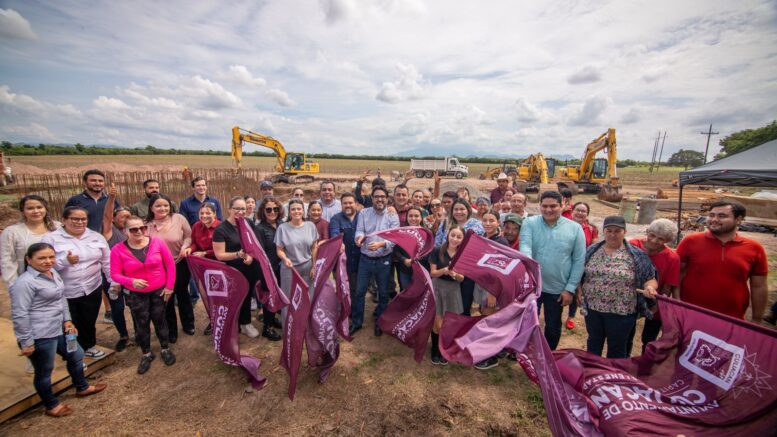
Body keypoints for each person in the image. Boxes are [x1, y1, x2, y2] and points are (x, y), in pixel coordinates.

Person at [11, 243, 107, 418]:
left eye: (51, 257)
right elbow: (20, 314)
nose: (48, 261)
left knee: (76, 355)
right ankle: (51, 405)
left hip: (60, 327)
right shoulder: (24, 283)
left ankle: (82, 387)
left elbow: (61, 298)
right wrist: (26, 342)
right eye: (42, 258)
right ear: (29, 260)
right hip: (40, 334)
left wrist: (67, 320)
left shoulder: (53, 273)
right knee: (44, 371)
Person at [576, 216, 658, 358]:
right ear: (603, 232)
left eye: (617, 231)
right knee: (594, 342)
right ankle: (592, 370)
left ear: (624, 232)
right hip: (593, 309)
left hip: (622, 312)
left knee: (617, 348)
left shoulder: (637, 255)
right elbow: (580, 273)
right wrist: (578, 290)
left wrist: (650, 287)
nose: (613, 234)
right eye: (609, 230)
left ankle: (613, 372)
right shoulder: (592, 251)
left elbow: (650, 278)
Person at [42, 207, 115, 359]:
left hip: (92, 287)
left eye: (83, 219)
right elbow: (43, 266)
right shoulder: (51, 239)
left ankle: (89, 346)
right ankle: (72, 354)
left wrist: (113, 281)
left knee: (88, 319)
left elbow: (107, 262)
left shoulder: (96, 237)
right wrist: (65, 261)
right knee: (68, 322)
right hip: (65, 291)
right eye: (75, 219)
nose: (79, 222)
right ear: (64, 220)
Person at [677, 201, 768, 322]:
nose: (714, 219)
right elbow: (677, 274)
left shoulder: (754, 248)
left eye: (722, 216)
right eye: (711, 215)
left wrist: (757, 319)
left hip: (732, 318)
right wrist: (676, 303)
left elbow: (759, 286)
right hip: (690, 315)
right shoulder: (690, 241)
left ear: (738, 219)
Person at [519, 191, 585, 350]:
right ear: (539, 206)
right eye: (545, 206)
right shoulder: (530, 223)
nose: (548, 210)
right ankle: (525, 351)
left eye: (553, 206)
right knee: (526, 322)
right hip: (532, 285)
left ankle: (549, 354)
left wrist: (570, 289)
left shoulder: (575, 229)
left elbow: (579, 260)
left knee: (553, 325)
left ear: (562, 206)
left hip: (557, 289)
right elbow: (525, 245)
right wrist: (530, 265)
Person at [110, 217, 177, 374]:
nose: (139, 231)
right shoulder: (118, 250)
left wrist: (169, 286)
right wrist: (131, 281)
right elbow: (114, 274)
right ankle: (146, 353)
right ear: (125, 231)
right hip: (136, 294)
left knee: (160, 319)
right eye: (134, 229)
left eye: (142, 228)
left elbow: (170, 264)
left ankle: (165, 348)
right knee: (142, 323)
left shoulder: (157, 242)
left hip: (159, 291)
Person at [213, 197, 281, 341]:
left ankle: (245, 324)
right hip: (233, 269)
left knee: (247, 295)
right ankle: (235, 324)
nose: (240, 211)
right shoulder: (221, 229)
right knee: (236, 298)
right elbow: (219, 255)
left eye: (243, 209)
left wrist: (250, 255)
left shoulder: (248, 223)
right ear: (229, 209)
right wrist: (238, 254)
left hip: (249, 267)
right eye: (237, 208)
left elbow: (252, 245)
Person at [145, 194, 194, 343]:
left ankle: (188, 324)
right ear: (151, 208)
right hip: (159, 268)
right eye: (158, 206)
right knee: (166, 297)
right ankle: (171, 330)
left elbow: (189, 236)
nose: (163, 208)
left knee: (182, 293)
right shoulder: (146, 225)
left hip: (179, 262)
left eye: (166, 205)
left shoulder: (179, 219)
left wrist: (185, 246)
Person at [626, 218, 680, 354]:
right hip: (630, 297)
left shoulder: (672, 257)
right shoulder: (632, 245)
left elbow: (668, 285)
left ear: (668, 240)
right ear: (647, 232)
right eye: (652, 235)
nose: (655, 241)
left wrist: (658, 304)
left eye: (661, 239)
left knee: (649, 338)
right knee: (627, 333)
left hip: (654, 297)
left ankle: (646, 361)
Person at [351, 186, 399, 337]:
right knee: (360, 292)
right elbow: (360, 230)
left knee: (383, 293)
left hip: (383, 260)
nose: (380, 199)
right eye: (376, 196)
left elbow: (395, 237)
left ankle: (380, 322)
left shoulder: (392, 215)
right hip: (365, 260)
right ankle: (357, 322)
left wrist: (382, 244)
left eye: (382, 196)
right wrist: (358, 238)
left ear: (387, 198)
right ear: (372, 199)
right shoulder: (364, 213)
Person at [275, 199, 319, 325]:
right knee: (288, 299)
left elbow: (314, 247)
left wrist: (314, 265)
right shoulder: (282, 228)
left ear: (303, 211)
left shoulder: (310, 226)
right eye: (293, 209)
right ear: (289, 212)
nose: (296, 211)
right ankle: (288, 328)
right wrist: (285, 259)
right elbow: (279, 250)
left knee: (308, 298)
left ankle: (305, 326)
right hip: (289, 268)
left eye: (299, 209)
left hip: (307, 266)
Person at [1, 195, 60, 288]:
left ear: (46, 209)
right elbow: (7, 261)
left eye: (39, 207)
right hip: (27, 284)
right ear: (23, 211)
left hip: (58, 281)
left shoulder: (58, 227)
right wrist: (13, 285)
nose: (36, 211)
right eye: (30, 208)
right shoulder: (12, 232)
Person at [101, 184, 133, 351]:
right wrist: (111, 198)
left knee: (135, 306)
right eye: (122, 216)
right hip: (113, 277)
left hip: (131, 276)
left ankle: (140, 332)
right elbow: (106, 216)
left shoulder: (133, 232)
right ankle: (123, 335)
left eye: (128, 216)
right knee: (117, 307)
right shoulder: (109, 231)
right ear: (113, 219)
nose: (126, 219)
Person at [429, 227, 466, 365]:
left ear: (463, 239)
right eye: (453, 235)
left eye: (459, 237)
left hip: (453, 289)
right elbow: (433, 273)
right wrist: (444, 270)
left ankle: (442, 348)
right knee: (437, 323)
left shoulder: (462, 254)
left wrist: (455, 274)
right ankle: (434, 349)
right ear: (448, 235)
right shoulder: (437, 250)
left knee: (447, 323)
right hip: (438, 287)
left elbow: (462, 278)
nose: (455, 239)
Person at [187, 202, 220, 335]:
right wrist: (190, 249)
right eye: (201, 213)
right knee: (205, 294)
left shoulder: (220, 227)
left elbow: (222, 249)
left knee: (217, 294)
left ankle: (222, 319)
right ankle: (212, 319)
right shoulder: (196, 226)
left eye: (208, 213)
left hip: (217, 265)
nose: (204, 216)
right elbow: (194, 243)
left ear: (214, 214)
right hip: (201, 266)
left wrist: (205, 253)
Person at [564, 201, 598, 330]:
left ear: (587, 214)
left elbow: (594, 247)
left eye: (583, 211)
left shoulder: (591, 229)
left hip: (581, 264)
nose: (580, 213)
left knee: (575, 289)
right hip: (564, 263)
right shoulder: (563, 225)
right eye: (577, 210)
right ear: (572, 211)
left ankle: (571, 316)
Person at [253, 196, 284, 332]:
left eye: (275, 209)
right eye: (268, 209)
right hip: (267, 269)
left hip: (282, 268)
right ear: (263, 211)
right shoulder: (259, 229)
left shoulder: (282, 225)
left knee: (278, 295)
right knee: (269, 297)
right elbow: (260, 253)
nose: (272, 212)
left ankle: (272, 319)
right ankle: (267, 327)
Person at [329, 193, 361, 296]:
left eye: (350, 203)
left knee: (357, 290)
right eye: (345, 203)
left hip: (360, 262)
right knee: (342, 291)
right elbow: (334, 233)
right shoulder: (335, 219)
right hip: (343, 263)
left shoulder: (363, 216)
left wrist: (390, 208)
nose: (348, 205)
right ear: (341, 205)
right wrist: (339, 242)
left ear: (356, 204)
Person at [393, 207, 427, 291]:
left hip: (421, 272)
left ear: (421, 218)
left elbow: (429, 251)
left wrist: (420, 258)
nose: (413, 218)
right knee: (407, 293)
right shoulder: (402, 232)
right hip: (405, 271)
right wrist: (404, 259)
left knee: (420, 294)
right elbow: (396, 250)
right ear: (407, 217)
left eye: (416, 216)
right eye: (410, 216)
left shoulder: (426, 233)